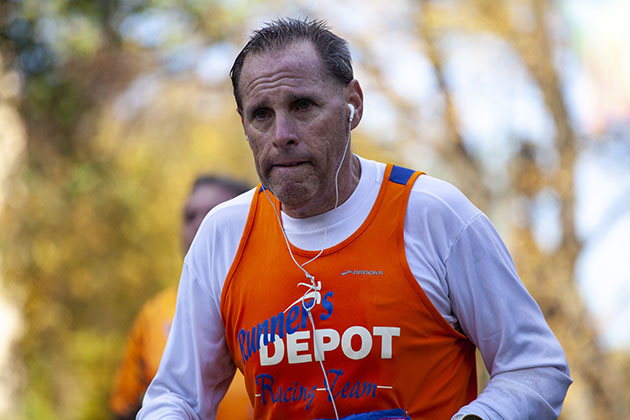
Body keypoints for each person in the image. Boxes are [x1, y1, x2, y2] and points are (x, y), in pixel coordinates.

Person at [138, 18, 572, 420]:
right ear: (243, 123)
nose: (281, 135)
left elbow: (535, 365)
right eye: (261, 115)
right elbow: (175, 397)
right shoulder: (223, 235)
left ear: (353, 105)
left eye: (303, 106)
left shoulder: (433, 214)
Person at [109, 175, 252, 420]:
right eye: (189, 216)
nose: (198, 225)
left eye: (210, 214)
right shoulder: (154, 312)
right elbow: (125, 408)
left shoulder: (286, 298)